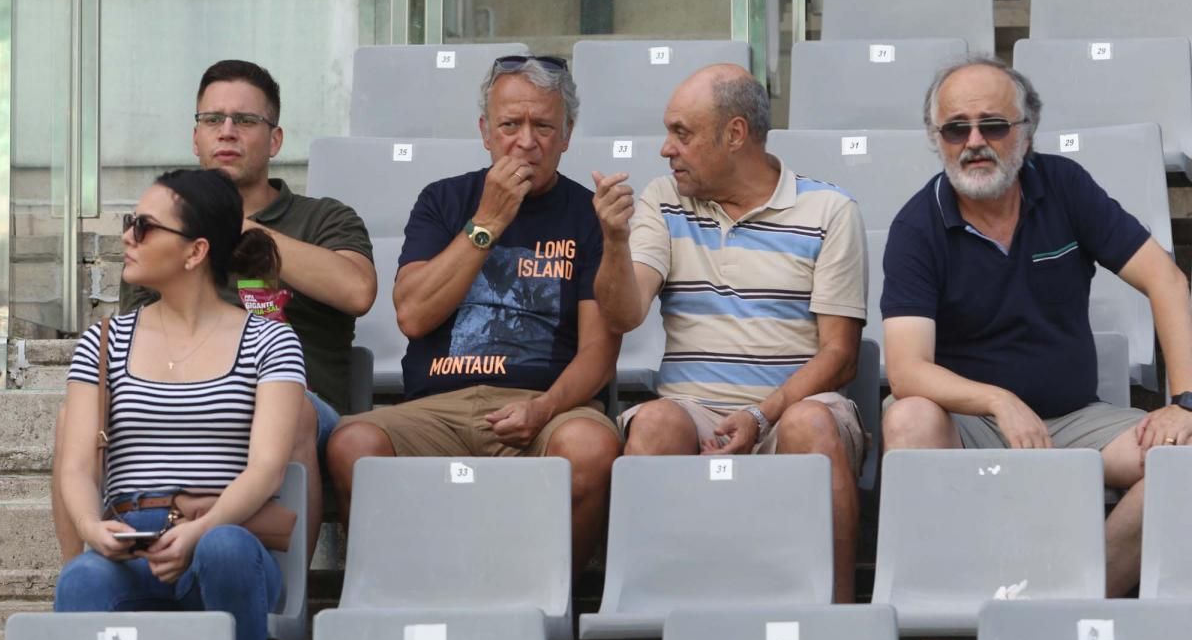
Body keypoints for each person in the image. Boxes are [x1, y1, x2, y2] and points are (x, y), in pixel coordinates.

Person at [881, 56, 1192, 598]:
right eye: (956, 128)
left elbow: (1166, 280)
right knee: (907, 418)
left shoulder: (1064, 186)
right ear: (937, 139)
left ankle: (1068, 596)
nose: (974, 141)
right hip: (968, 427)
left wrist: (1183, 402)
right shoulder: (917, 225)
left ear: (1027, 134)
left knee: (1182, 459)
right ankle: (946, 620)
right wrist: (999, 401)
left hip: (1076, 420)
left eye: (993, 125)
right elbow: (907, 370)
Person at [53, 60, 376, 565]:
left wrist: (240, 226)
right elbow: (139, 334)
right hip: (187, 389)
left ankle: (282, 614)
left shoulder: (325, 218)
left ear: (275, 140)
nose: (227, 131)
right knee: (77, 414)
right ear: (195, 137)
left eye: (246, 121)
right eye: (212, 119)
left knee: (296, 414)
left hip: (299, 400)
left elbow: (357, 291)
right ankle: (86, 582)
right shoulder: (159, 233)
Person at [326, 55, 621, 572]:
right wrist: (487, 221)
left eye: (543, 126)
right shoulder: (444, 200)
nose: (526, 141)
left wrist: (544, 409)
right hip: (437, 407)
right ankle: (396, 595)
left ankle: (550, 600)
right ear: (486, 131)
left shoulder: (586, 216)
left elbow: (600, 352)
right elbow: (413, 316)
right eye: (510, 124)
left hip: (542, 403)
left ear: (568, 135)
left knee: (592, 446)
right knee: (353, 444)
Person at [592, 63, 868, 604]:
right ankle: (645, 626)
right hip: (693, 407)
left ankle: (839, 619)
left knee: (812, 425)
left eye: (682, 133)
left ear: (735, 134)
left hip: (791, 407)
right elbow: (624, 315)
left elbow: (842, 356)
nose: (666, 150)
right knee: (654, 424)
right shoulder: (661, 200)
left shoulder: (829, 211)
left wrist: (762, 413)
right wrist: (613, 241)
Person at [54, 169, 305, 640]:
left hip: (226, 532)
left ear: (195, 252)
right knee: (81, 578)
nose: (127, 236)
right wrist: (92, 526)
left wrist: (199, 531)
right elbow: (78, 466)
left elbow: (267, 469)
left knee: (225, 551)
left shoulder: (269, 342)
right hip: (130, 542)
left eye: (144, 226)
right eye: (131, 222)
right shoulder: (103, 343)